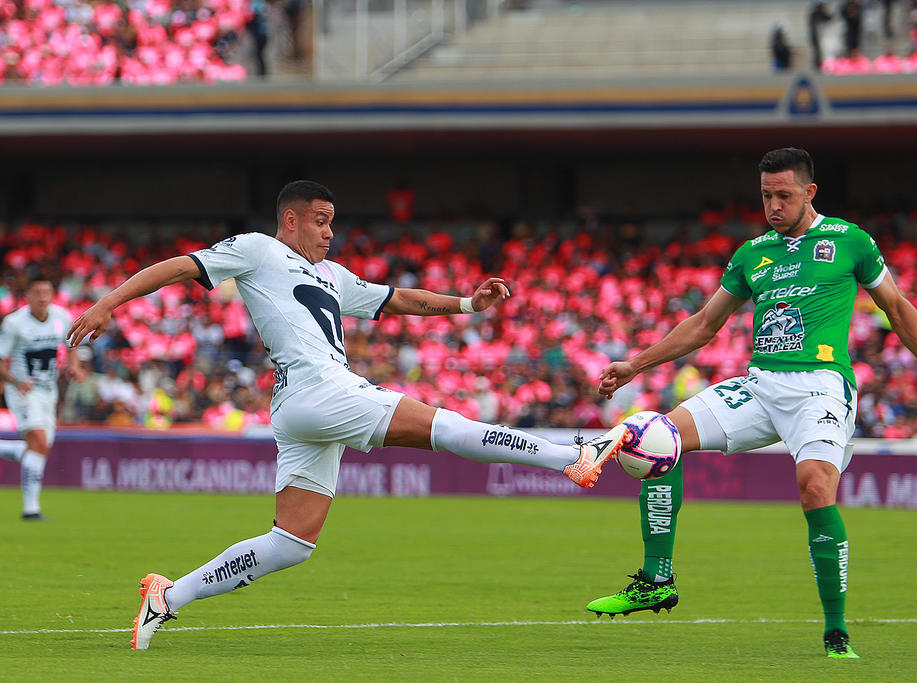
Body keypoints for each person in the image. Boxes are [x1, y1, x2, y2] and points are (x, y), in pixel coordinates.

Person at [66, 180, 626, 651]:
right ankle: (571, 456)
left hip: (300, 407)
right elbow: (181, 267)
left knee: (291, 544)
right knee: (447, 426)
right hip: (322, 390)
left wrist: (467, 304)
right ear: (291, 220)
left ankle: (168, 595)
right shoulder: (259, 249)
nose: (330, 230)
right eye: (321, 220)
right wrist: (109, 303)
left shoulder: (332, 277)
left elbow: (399, 301)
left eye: (333, 221)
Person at [584, 148, 917, 659]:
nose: (773, 205)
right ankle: (656, 579)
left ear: (809, 192)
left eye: (783, 195)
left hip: (820, 386)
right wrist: (635, 364)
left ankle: (836, 628)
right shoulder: (753, 253)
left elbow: (898, 309)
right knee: (651, 437)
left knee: (815, 486)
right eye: (766, 196)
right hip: (760, 386)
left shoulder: (850, 241)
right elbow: (704, 325)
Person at [0, 276, 85, 520]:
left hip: (49, 391)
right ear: (27, 295)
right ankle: (31, 509)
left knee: (39, 448)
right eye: (37, 292)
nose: (43, 297)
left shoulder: (61, 317)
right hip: (24, 391)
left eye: (47, 291)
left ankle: (12, 451)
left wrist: (74, 367)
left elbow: (72, 344)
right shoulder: (14, 323)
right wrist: (15, 382)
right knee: (38, 442)